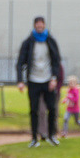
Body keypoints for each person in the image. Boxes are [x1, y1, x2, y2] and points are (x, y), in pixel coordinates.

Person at [16, 16, 61, 147]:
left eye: (42, 26)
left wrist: (54, 78)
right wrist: (20, 80)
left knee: (52, 108)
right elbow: (20, 62)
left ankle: (52, 135)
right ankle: (34, 138)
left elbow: (56, 61)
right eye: (38, 26)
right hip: (33, 80)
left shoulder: (51, 41)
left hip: (48, 80)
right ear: (35, 26)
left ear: (44, 26)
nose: (40, 28)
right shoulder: (28, 42)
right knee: (34, 110)